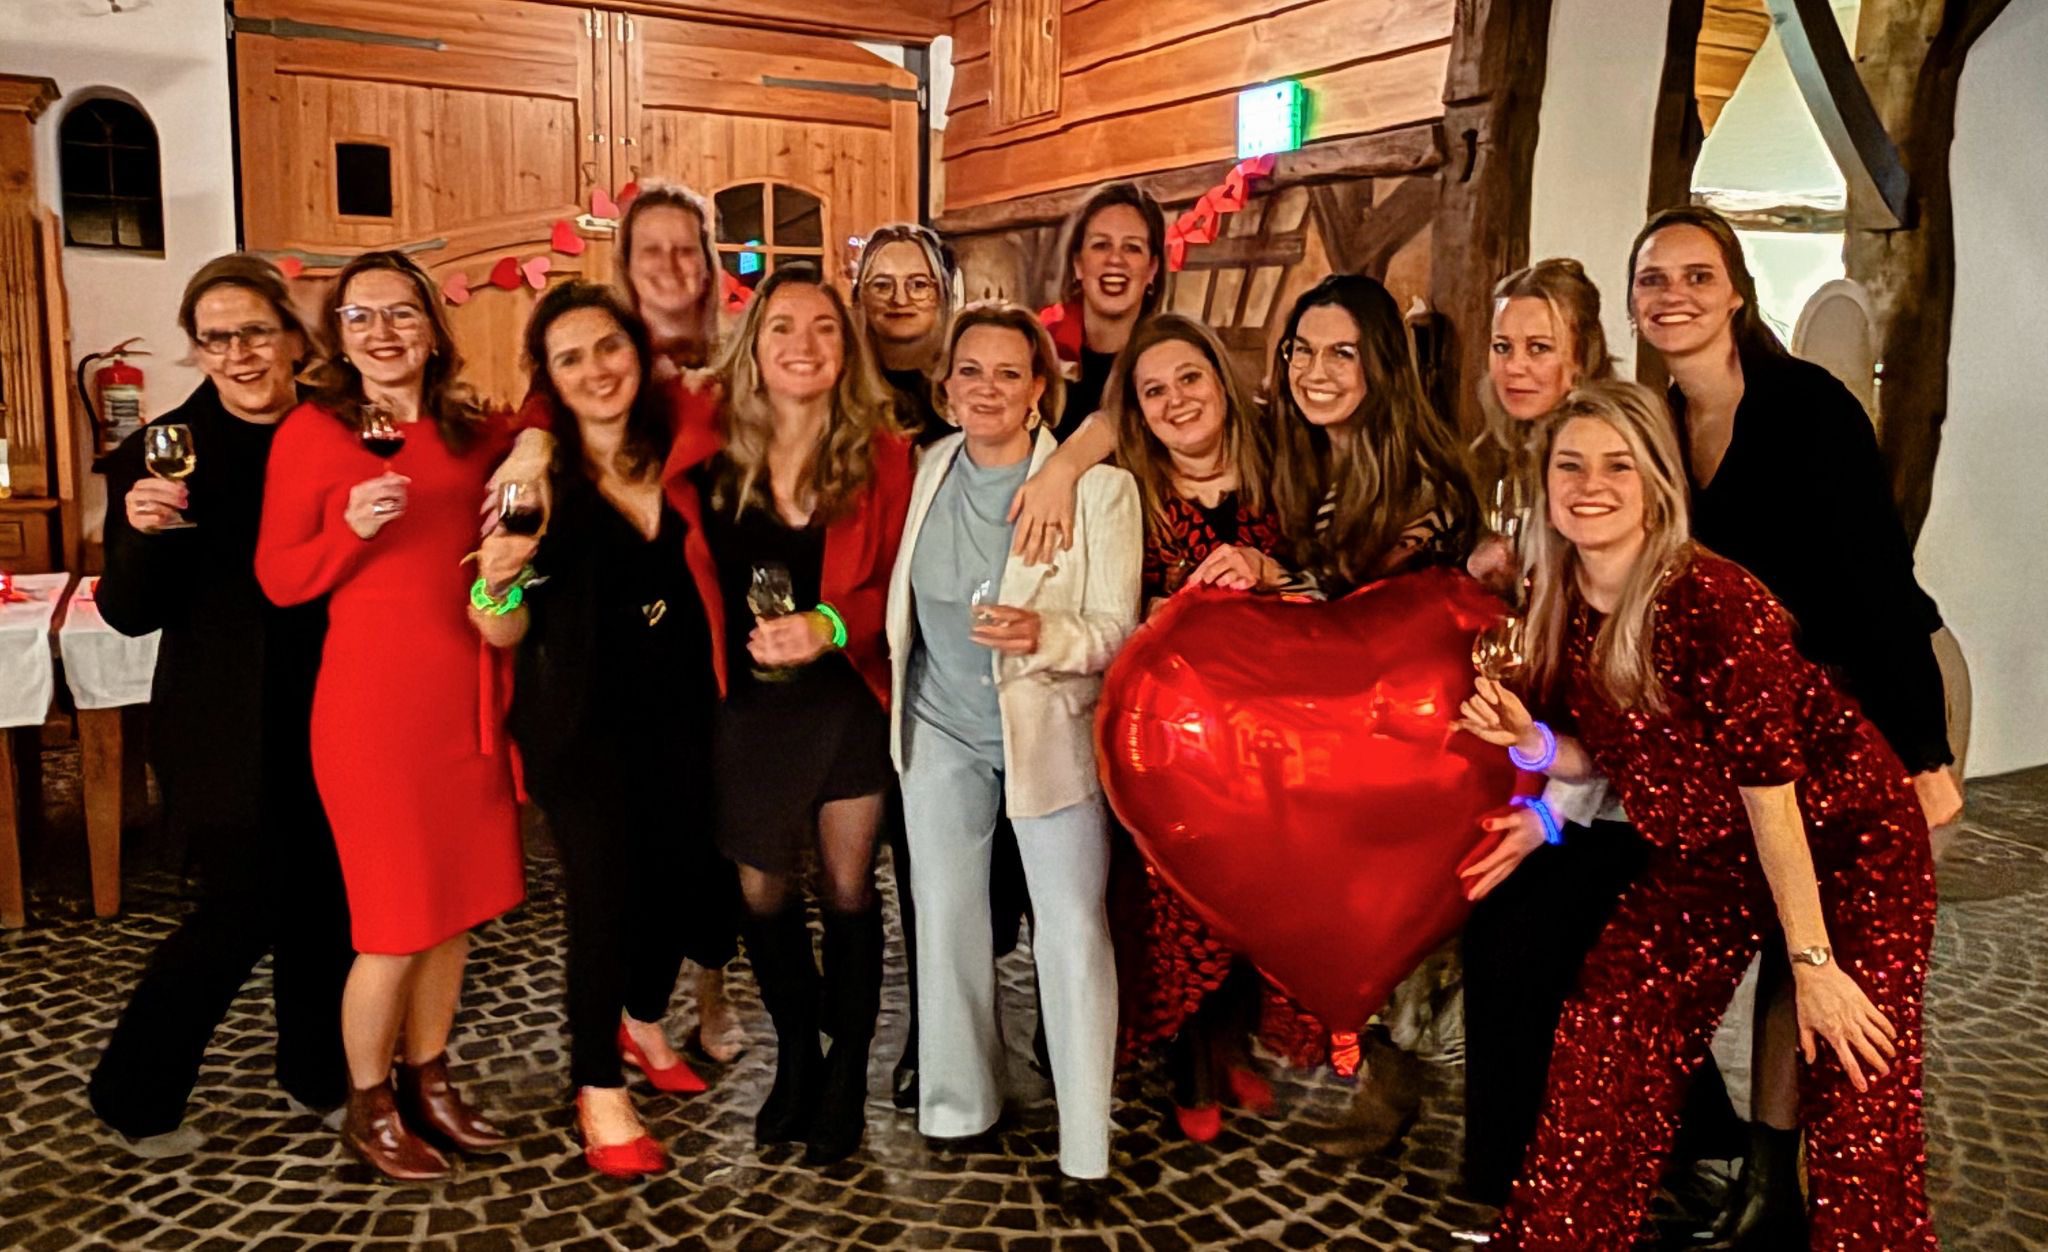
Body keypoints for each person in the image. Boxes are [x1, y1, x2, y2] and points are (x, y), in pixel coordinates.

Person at [1456, 379, 1939, 1252]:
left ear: (1655, 486)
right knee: (1607, 1033)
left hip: (1844, 838)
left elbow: (1772, 798)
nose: (1591, 485)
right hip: (1709, 849)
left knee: (1855, 1077)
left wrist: (1815, 966)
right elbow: (1617, 757)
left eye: (1618, 466)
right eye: (1570, 466)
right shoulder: (1558, 599)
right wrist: (1532, 740)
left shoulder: (1715, 600)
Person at [1629, 205, 1962, 1248]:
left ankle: (1803, 1191)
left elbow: (1879, 583)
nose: (1673, 296)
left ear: (1735, 290)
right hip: (1765, 735)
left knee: (1822, 958)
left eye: (1696, 276)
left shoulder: (1807, 407)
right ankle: (1767, 1186)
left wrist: (1924, 755)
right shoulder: (1655, 428)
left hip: (1874, 704)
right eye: (1652, 280)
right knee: (1784, 937)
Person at [1456, 259, 1739, 1209]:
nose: (1516, 365)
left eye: (1539, 347)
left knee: (1530, 927)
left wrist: (1553, 809)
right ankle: (1626, 1147)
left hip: (1646, 800)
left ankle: (1539, 1173)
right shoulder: (1504, 468)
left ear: (1581, 357)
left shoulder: (1619, 485)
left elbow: (1640, 713)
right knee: (1510, 920)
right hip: (1569, 769)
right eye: (1503, 346)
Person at [256, 250, 526, 1181]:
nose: (383, 332)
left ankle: (430, 1080)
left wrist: (533, 449)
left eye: (402, 312)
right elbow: (279, 578)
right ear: (337, 337)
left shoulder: (469, 429)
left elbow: (543, 432)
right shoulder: (312, 433)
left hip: (467, 697)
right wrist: (349, 530)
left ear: (432, 328)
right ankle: (368, 1105)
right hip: (372, 711)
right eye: (361, 316)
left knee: (455, 912)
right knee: (394, 923)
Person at [87, 255, 353, 1152]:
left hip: (333, 706)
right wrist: (142, 535)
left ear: (293, 339)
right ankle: (133, 1094)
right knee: (240, 910)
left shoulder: (335, 430)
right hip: (223, 723)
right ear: (196, 351)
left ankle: (316, 1074)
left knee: (328, 904)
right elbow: (129, 613)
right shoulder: (162, 450)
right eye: (215, 339)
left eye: (254, 333)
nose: (237, 354)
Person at [886, 301, 1140, 1208]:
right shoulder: (927, 468)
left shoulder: (1099, 489)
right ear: (945, 387)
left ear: (1040, 389)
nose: (986, 389)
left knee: (1071, 927)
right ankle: (959, 1105)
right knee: (945, 915)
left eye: (1008, 373)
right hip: (940, 725)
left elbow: (1118, 632)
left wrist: (1043, 634)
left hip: (1047, 731)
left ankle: (1086, 1147)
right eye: (970, 371)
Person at [487, 283, 728, 1178]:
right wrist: (495, 586)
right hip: (580, 727)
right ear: (548, 381)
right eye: (571, 358)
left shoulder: (684, 455)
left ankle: (642, 1020)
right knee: (604, 900)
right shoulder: (532, 481)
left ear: (638, 352)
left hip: (686, 715)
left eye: (609, 347)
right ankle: (596, 1084)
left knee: (683, 881)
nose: (596, 369)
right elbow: (500, 627)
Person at [674, 263, 912, 1167]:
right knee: (760, 894)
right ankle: (798, 1059)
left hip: (847, 696)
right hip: (745, 708)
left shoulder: (885, 456)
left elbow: (904, 586)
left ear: (846, 349)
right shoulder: (708, 444)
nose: (803, 345)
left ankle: (845, 1071)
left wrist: (830, 624)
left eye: (823, 328)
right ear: (753, 346)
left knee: (849, 890)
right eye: (782, 327)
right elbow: (577, 406)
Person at [1098, 312, 1296, 1141]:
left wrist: (1267, 572)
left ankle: (1230, 1041)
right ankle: (1191, 1065)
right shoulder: (1126, 493)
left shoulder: (1282, 470)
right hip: (1173, 737)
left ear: (1221, 380)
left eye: (1189, 378)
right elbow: (1109, 612)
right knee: (1180, 900)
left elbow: (1324, 583)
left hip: (1270, 728)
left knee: (1257, 894)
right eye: (1154, 391)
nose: (1176, 400)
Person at [620, 181, 722, 379]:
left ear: (707, 265)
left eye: (685, 250)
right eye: (652, 250)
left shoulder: (744, 358)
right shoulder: (609, 367)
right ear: (627, 265)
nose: (669, 265)